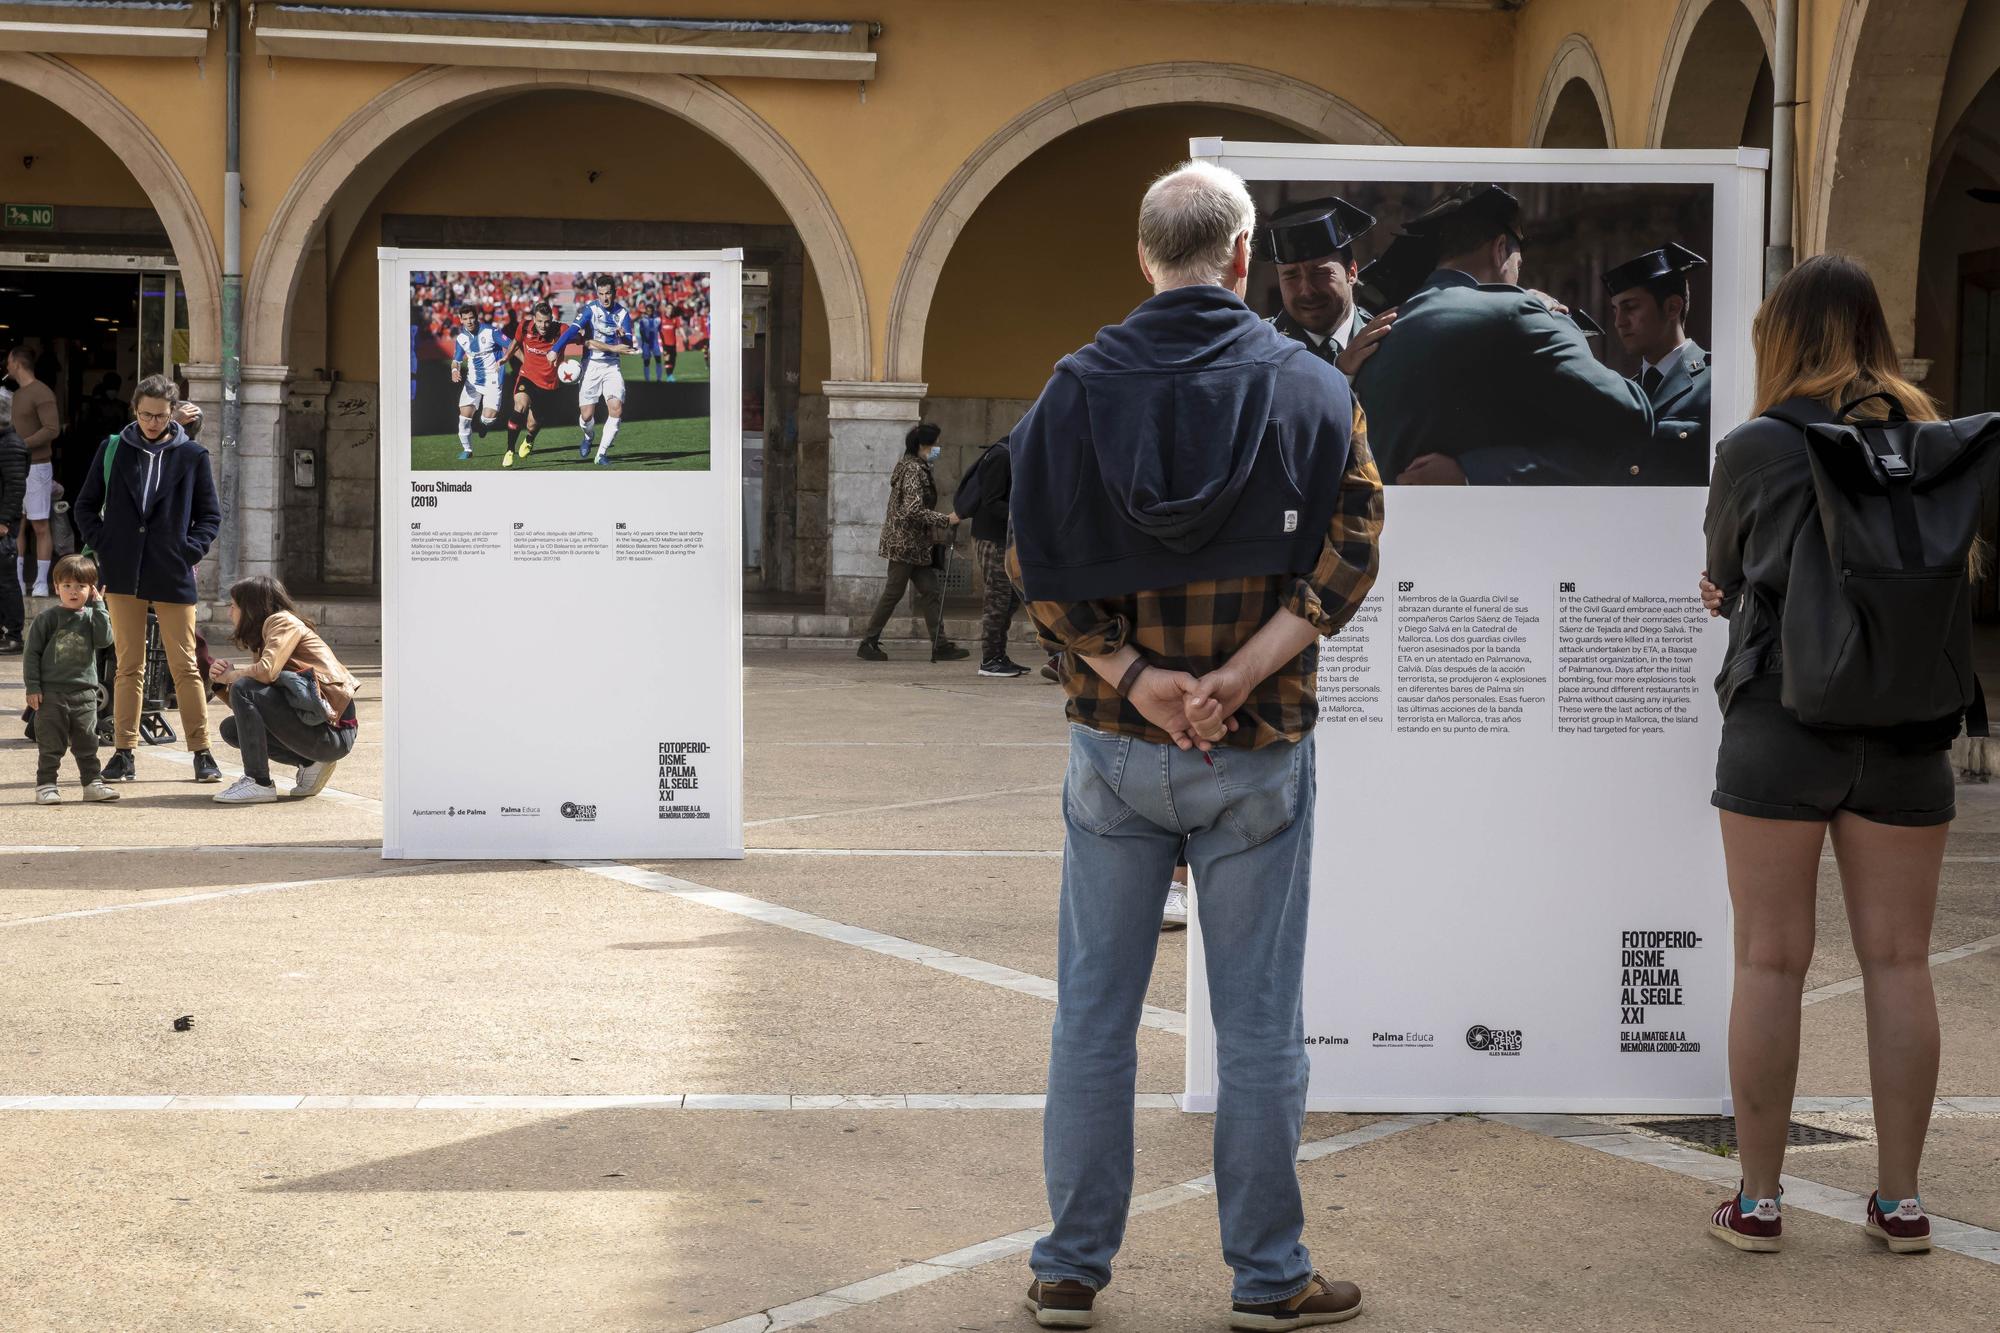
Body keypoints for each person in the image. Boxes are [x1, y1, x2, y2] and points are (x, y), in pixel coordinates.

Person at [1008, 161, 1382, 1330]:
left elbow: (1028, 557)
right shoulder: (1310, 384)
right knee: (1260, 1023)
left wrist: (1139, 676)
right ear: (1237, 255)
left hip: (1117, 743)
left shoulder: (1071, 390)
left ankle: (1069, 1267)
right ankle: (1269, 1279)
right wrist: (1233, 676)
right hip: (1256, 741)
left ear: (1143, 255)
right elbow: (1354, 541)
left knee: (1092, 1012)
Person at [1699, 254, 1957, 1257]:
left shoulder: (1756, 444)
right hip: (1904, 730)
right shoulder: (1931, 441)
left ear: (1781, 338)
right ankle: (1898, 1203)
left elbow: (1721, 569)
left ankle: (1758, 1203)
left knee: (1768, 959)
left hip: (1778, 721)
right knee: (1899, 962)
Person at [1353, 184, 1654, 485]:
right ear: (1500, 251)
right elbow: (1633, 417)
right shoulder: (1514, 311)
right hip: (1488, 524)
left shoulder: (1378, 333)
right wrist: (1557, 317)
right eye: (1518, 265)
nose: (1518, 278)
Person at [74, 374, 224, 785]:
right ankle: (124, 752)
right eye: (145, 414)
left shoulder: (192, 454)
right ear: (134, 409)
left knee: (185, 666)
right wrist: (103, 545)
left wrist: (188, 549)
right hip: (122, 570)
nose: (152, 422)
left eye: (159, 415)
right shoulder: (114, 448)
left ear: (173, 412)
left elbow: (210, 515)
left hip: (172, 569)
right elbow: (85, 506)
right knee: (128, 666)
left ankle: (202, 752)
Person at [206, 575, 361, 805]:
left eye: (233, 606)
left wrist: (233, 676)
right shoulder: (267, 635)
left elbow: (265, 673)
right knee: (232, 729)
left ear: (250, 608)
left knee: (244, 685)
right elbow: (251, 711)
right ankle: (310, 763)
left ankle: (258, 782)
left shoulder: (281, 621)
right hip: (322, 730)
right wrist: (222, 683)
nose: (230, 613)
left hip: (333, 730)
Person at [856, 422, 969, 663]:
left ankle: (941, 644)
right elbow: (912, 509)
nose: (937, 448)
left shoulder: (916, 466)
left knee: (930, 591)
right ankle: (868, 642)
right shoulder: (913, 470)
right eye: (934, 444)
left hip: (915, 545)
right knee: (894, 592)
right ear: (922, 445)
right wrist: (945, 520)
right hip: (904, 544)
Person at [1256, 196, 1398, 378]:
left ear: (1351, 273)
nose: (1307, 290)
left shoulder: (1389, 340)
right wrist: (1339, 372)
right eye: (1291, 275)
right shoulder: (1259, 349)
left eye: (1320, 273)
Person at [1605, 243, 1712, 485]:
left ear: (1672, 307)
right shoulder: (1623, 393)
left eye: (1630, 307)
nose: (1619, 322)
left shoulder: (1715, 380)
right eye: (1615, 311)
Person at [24, 553, 118, 805]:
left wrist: (100, 607)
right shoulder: (47, 619)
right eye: (67, 586)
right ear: (57, 587)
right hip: (51, 694)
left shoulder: (92, 617)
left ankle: (92, 783)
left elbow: (104, 640)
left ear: (92, 589)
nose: (73, 591)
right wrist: (33, 687)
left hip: (85, 693)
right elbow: (31, 654)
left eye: (81, 586)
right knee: (51, 743)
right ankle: (46, 785)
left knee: (87, 742)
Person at [952, 435, 1027, 677]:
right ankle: (990, 659)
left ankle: (998, 654)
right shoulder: (1001, 456)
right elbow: (992, 501)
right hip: (992, 539)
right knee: (998, 597)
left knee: (1010, 599)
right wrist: (1026, 513)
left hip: (1005, 538)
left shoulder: (1012, 454)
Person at [550, 273, 639, 465]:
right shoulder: (590, 309)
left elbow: (628, 344)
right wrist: (554, 350)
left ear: (614, 293)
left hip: (611, 366)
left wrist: (623, 336)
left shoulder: (622, 314)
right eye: (601, 293)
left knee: (616, 408)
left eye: (608, 293)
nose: (605, 297)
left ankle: (602, 454)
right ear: (597, 293)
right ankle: (589, 437)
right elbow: (572, 331)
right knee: (586, 415)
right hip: (590, 365)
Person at [7, 346, 60, 594]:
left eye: (8, 361)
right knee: (17, 524)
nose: (6, 366)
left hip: (38, 466)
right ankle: (17, 581)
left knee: (40, 524)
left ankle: (40, 582)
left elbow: (52, 429)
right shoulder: (16, 395)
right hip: (15, 467)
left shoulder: (41, 392)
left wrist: (20, 444)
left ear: (16, 363)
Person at [502, 301, 570, 467]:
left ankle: (530, 439)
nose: (543, 325)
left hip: (548, 384)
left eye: (547, 321)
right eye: (539, 321)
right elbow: (516, 342)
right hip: (528, 376)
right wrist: (507, 357)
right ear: (534, 319)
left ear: (552, 319)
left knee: (532, 424)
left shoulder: (562, 330)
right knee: (520, 406)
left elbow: (582, 338)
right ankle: (510, 450)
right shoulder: (524, 327)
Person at [450, 302, 509, 461]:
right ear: (460, 320)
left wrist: (505, 358)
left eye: (472, 318)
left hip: (493, 379)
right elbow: (456, 360)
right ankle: (467, 450)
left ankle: (483, 424)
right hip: (472, 381)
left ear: (477, 318)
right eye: (465, 319)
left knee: (489, 418)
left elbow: (511, 345)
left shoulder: (491, 331)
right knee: (463, 418)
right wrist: (454, 371)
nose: (469, 321)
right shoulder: (461, 338)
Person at [0, 381, 25, 654]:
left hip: (3, 525)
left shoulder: (11, 445)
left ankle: (14, 634)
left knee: (6, 580)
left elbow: (16, 486)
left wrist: (4, 521)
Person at [637, 303, 664, 382]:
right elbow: (641, 331)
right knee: (646, 362)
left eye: (650, 311)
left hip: (655, 343)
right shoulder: (643, 320)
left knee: (658, 360)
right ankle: (647, 380)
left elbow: (660, 330)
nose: (649, 312)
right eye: (647, 311)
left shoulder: (658, 319)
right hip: (646, 343)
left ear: (653, 311)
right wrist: (644, 341)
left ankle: (659, 379)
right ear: (646, 311)